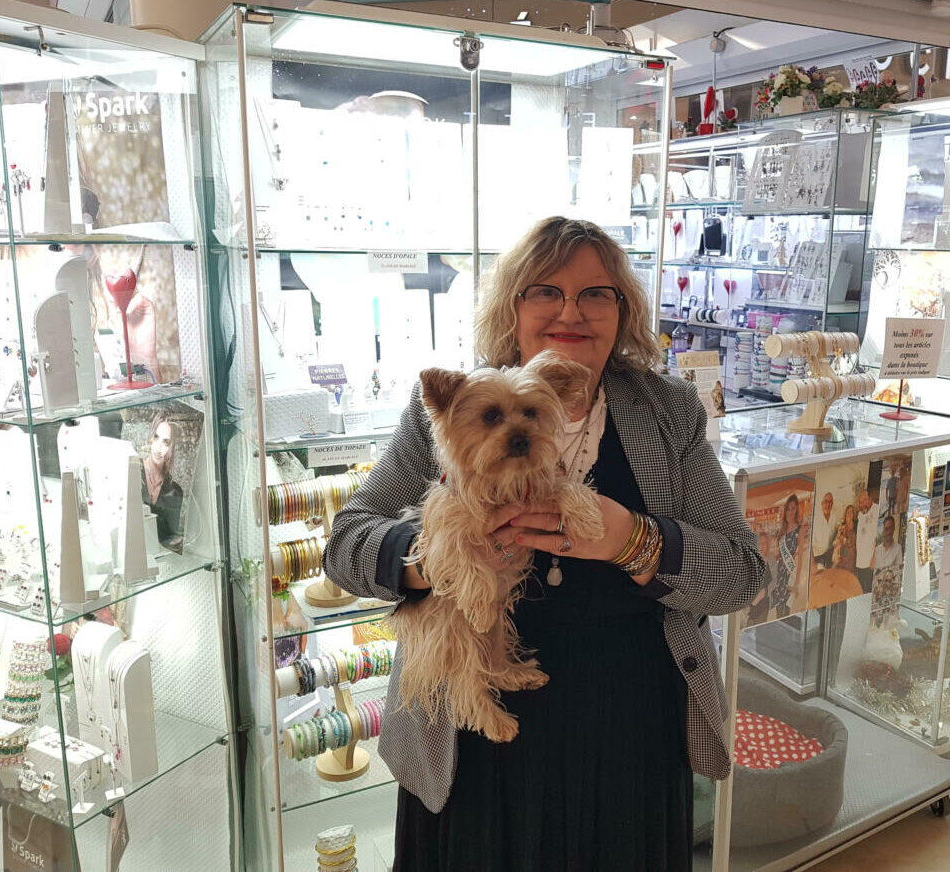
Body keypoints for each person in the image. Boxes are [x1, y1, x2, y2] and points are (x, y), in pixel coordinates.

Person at [323, 216, 765, 872]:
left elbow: (740, 570)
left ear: (623, 309)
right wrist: (430, 560)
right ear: (513, 305)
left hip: (629, 731)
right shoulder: (451, 406)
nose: (571, 311)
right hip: (473, 735)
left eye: (596, 293)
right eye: (544, 291)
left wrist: (632, 540)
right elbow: (345, 545)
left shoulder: (667, 414)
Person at [139, 413, 183, 551]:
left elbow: (169, 538)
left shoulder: (174, 491)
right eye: (156, 437)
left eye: (166, 442)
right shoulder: (134, 471)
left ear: (172, 447)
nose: (158, 448)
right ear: (150, 438)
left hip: (159, 558)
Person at [770, 493, 808, 619]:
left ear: (797, 509)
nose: (790, 512)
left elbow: (800, 558)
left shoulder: (800, 530)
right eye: (788, 509)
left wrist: (796, 582)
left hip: (790, 576)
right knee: (777, 610)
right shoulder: (781, 530)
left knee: (786, 611)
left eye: (793, 508)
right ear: (785, 511)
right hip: (779, 575)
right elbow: (778, 556)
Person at [855, 487, 878, 594]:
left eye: (864, 500)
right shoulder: (860, 514)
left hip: (870, 563)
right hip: (859, 562)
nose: (862, 504)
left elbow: (880, 538)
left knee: (869, 592)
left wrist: (874, 559)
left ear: (870, 499)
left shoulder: (877, 510)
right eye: (860, 502)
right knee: (860, 591)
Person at [813, 490, 838, 568]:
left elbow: (835, 532)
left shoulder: (834, 517)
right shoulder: (816, 518)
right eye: (826, 501)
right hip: (818, 556)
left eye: (830, 502)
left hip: (829, 554)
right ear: (822, 503)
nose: (828, 505)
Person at [831, 504, 857, 571]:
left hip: (849, 559)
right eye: (848, 512)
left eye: (851, 512)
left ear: (853, 514)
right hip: (840, 557)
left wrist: (844, 540)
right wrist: (838, 538)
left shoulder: (856, 526)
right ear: (845, 514)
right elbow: (834, 542)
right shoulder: (841, 526)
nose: (849, 513)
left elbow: (853, 542)